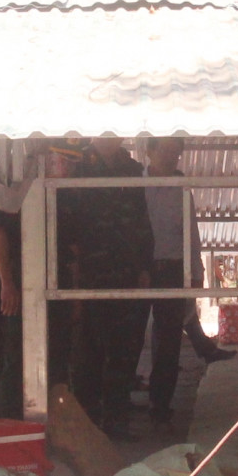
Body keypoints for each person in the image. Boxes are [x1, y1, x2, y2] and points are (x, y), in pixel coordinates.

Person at [142, 138, 233, 426]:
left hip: (171, 268)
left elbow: (190, 230)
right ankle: (117, 404)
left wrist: (196, 270)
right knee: (129, 335)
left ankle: (160, 403)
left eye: (175, 153)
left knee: (167, 337)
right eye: (165, 151)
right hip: (139, 268)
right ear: (149, 151)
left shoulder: (181, 187)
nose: (171, 158)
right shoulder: (132, 183)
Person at [68, 137, 152, 438]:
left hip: (126, 270)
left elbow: (142, 220)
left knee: (124, 348)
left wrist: (144, 266)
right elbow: (67, 219)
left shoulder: (131, 169)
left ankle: (117, 419)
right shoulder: (77, 165)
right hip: (89, 270)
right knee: (88, 349)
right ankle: (87, 424)